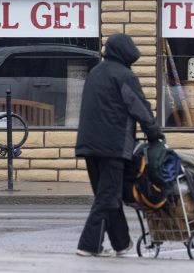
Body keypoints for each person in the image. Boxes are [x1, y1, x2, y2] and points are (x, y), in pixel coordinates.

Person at [75, 33, 164, 257]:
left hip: (88, 144)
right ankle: (88, 245)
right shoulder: (125, 76)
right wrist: (155, 135)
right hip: (113, 145)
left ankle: (121, 243)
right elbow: (140, 108)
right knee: (108, 196)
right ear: (125, 53)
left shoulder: (95, 72)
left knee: (108, 195)